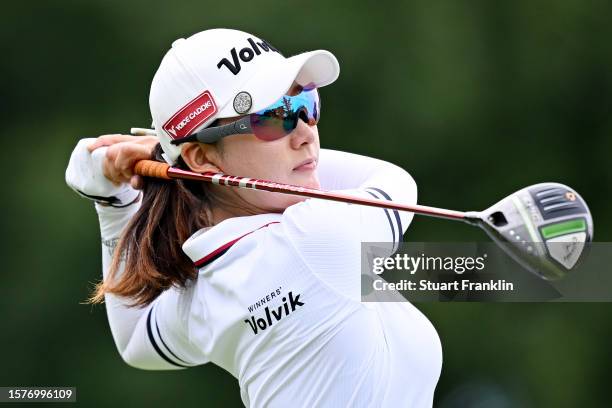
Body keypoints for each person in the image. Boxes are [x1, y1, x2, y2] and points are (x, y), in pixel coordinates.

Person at [65, 28, 442, 407]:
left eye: (306, 105)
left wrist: (113, 201)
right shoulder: (315, 237)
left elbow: (137, 341)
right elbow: (396, 182)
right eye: (273, 119)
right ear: (202, 159)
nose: (306, 135)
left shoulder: (211, 281)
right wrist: (160, 156)